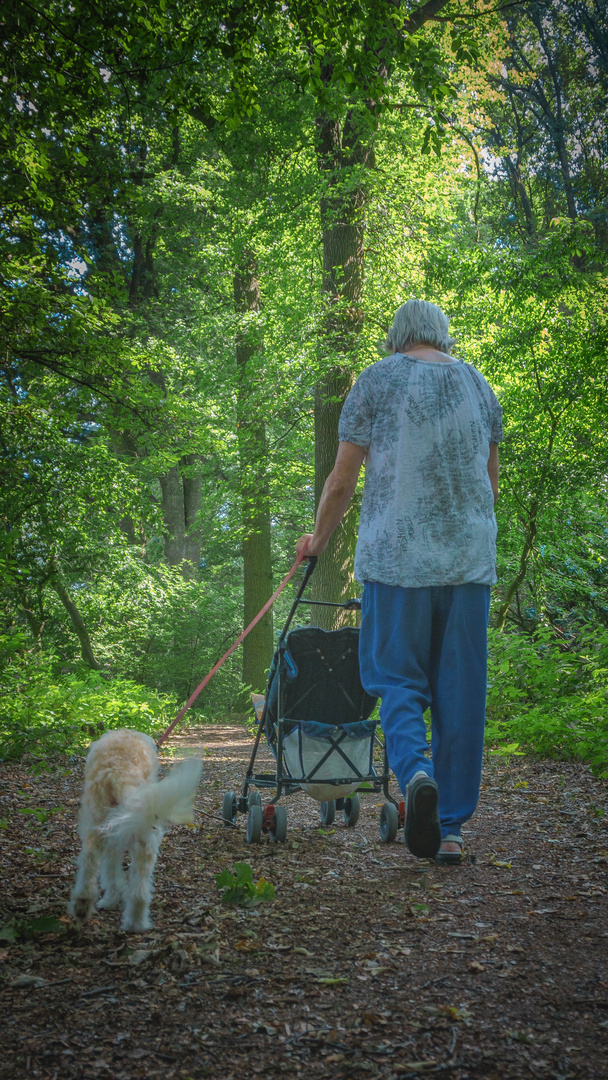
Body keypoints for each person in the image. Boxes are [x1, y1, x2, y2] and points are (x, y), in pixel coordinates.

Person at [296, 299, 502, 863]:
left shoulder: (376, 381)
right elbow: (490, 484)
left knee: (395, 679)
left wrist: (317, 539)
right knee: (460, 695)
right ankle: (453, 830)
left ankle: (415, 773)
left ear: (397, 337)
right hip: (467, 565)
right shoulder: (479, 387)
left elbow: (341, 480)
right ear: (443, 336)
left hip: (396, 560)